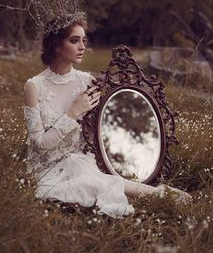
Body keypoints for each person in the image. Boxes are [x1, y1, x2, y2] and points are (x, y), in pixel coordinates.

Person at [23, 19, 192, 219]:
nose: (82, 46)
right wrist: (73, 113)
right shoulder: (34, 86)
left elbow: (100, 128)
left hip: (80, 160)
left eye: (84, 40)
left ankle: (161, 192)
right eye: (74, 41)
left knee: (99, 180)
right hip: (45, 166)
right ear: (56, 45)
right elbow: (39, 144)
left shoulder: (86, 81)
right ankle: (158, 193)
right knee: (91, 184)